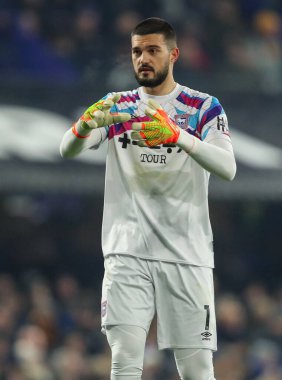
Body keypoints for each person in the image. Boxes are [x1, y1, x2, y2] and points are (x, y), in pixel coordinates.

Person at [60, 17, 236, 380]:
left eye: (152, 50)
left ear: (174, 54)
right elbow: (69, 150)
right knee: (124, 361)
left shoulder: (201, 107)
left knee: (197, 370)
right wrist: (84, 124)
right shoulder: (120, 107)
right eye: (137, 51)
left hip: (187, 254)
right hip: (127, 251)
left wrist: (179, 137)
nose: (143, 58)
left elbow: (227, 168)